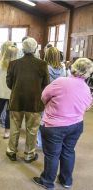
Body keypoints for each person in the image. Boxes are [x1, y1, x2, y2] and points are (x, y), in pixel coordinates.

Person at [33, 58, 93, 190]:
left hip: (54, 125)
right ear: (88, 72)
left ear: (73, 67)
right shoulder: (86, 88)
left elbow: (44, 96)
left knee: (52, 154)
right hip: (76, 125)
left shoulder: (61, 81)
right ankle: (66, 180)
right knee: (68, 151)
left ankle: (47, 182)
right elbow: (87, 106)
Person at [6, 37, 49, 162]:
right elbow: (46, 84)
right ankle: (29, 154)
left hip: (16, 100)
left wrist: (17, 88)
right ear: (35, 48)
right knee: (32, 129)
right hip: (35, 102)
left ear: (23, 49)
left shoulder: (13, 63)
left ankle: (11, 151)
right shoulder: (42, 64)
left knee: (14, 127)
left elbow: (9, 83)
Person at [37, 47, 67, 148]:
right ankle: (53, 141)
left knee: (42, 120)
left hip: (45, 96)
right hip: (59, 98)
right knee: (55, 121)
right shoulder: (63, 68)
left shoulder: (43, 67)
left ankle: (40, 142)